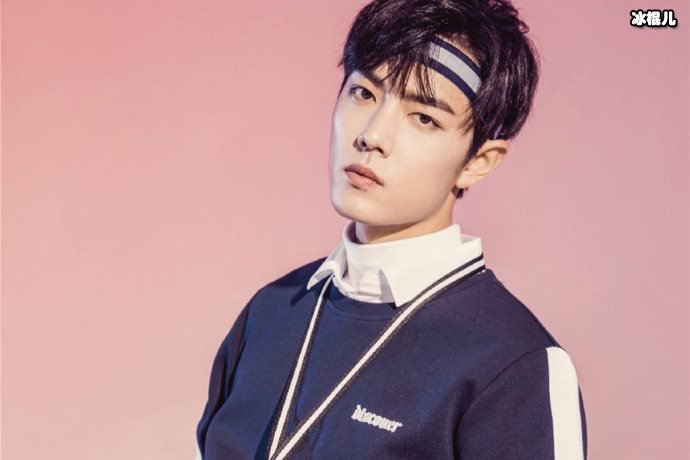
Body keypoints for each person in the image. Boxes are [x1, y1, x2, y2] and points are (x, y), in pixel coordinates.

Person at [195, 0, 588, 458]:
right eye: (364, 93)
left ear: (478, 162)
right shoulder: (271, 312)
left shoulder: (515, 364)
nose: (373, 135)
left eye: (424, 117)